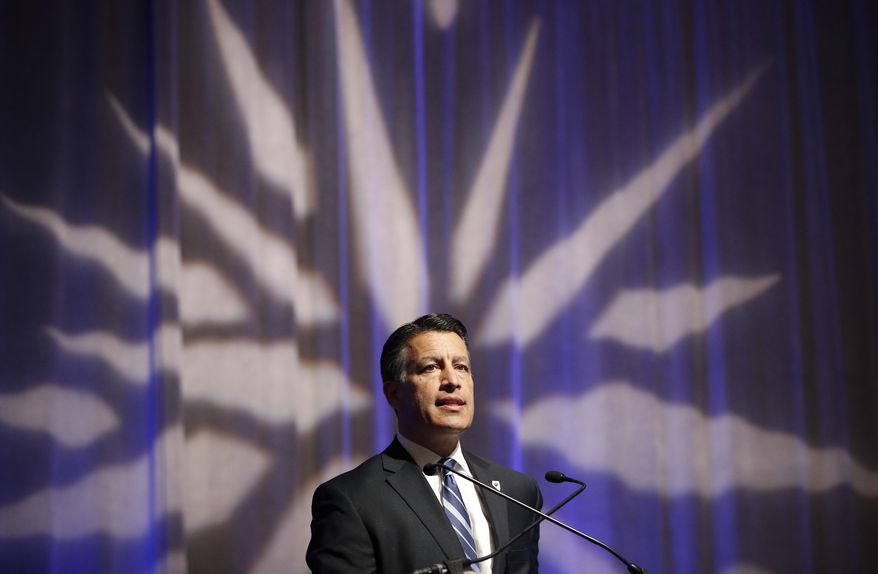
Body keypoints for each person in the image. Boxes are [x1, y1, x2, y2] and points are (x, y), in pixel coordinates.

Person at [306, 313, 542, 573]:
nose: (452, 381)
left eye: (461, 367)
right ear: (394, 394)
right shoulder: (351, 498)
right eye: (431, 367)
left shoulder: (517, 491)